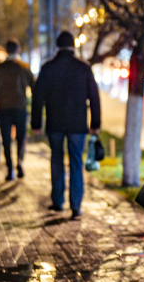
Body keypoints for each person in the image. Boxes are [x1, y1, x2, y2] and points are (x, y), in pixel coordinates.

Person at [31, 31, 101, 220]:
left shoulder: (48, 68)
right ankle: (76, 206)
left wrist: (36, 123)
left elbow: (38, 98)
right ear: (73, 46)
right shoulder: (83, 68)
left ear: (58, 46)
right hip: (78, 124)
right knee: (76, 162)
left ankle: (57, 201)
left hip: (55, 122)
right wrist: (96, 123)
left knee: (56, 159)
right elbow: (94, 97)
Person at [0, 39, 35, 181]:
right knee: (21, 137)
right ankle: (20, 162)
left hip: (4, 109)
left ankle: (10, 168)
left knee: (6, 139)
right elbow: (34, 88)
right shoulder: (25, 67)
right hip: (21, 108)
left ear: (6, 50)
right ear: (19, 50)